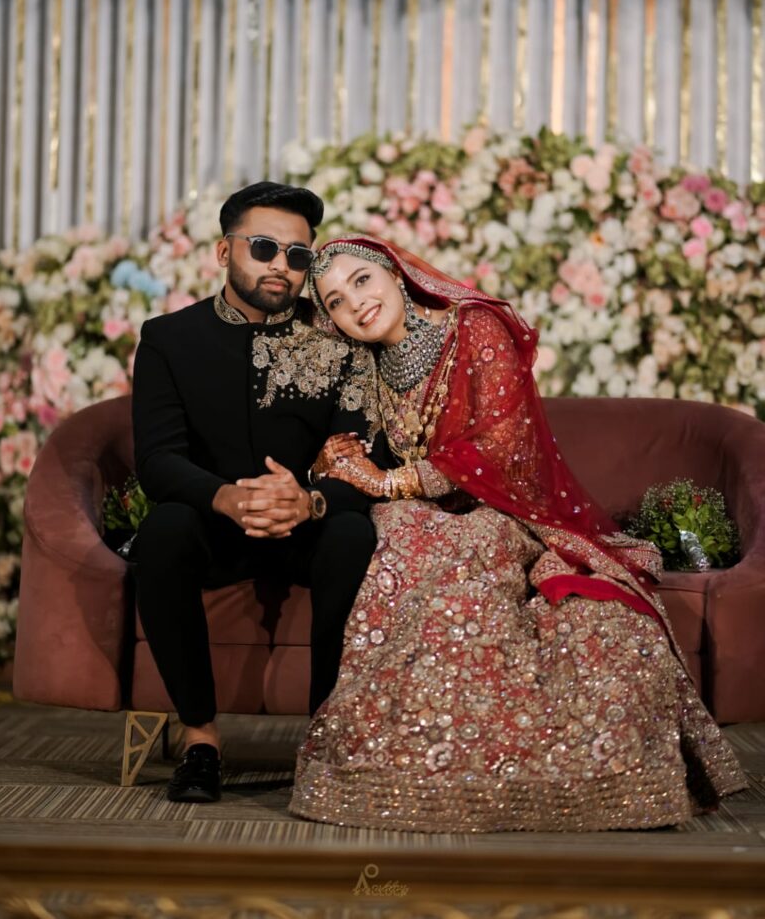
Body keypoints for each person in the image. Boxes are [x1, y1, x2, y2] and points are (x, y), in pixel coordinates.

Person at [289, 235, 746, 832]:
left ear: (395, 274)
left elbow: (499, 447)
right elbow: (349, 445)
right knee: (402, 546)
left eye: (361, 280)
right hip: (422, 516)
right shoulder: (366, 367)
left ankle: (570, 778)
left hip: (509, 511)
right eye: (335, 301)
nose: (355, 302)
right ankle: (399, 772)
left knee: (547, 606)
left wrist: (389, 482)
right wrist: (333, 459)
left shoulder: (475, 328)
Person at [131, 185, 380, 804]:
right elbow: (159, 460)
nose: (281, 266)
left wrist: (310, 502)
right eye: (264, 247)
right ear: (225, 252)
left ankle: (324, 739)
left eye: (298, 256)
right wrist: (225, 498)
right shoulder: (169, 338)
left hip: (306, 529)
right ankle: (200, 741)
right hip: (213, 525)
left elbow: (362, 457)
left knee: (352, 532)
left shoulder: (339, 340)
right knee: (163, 531)